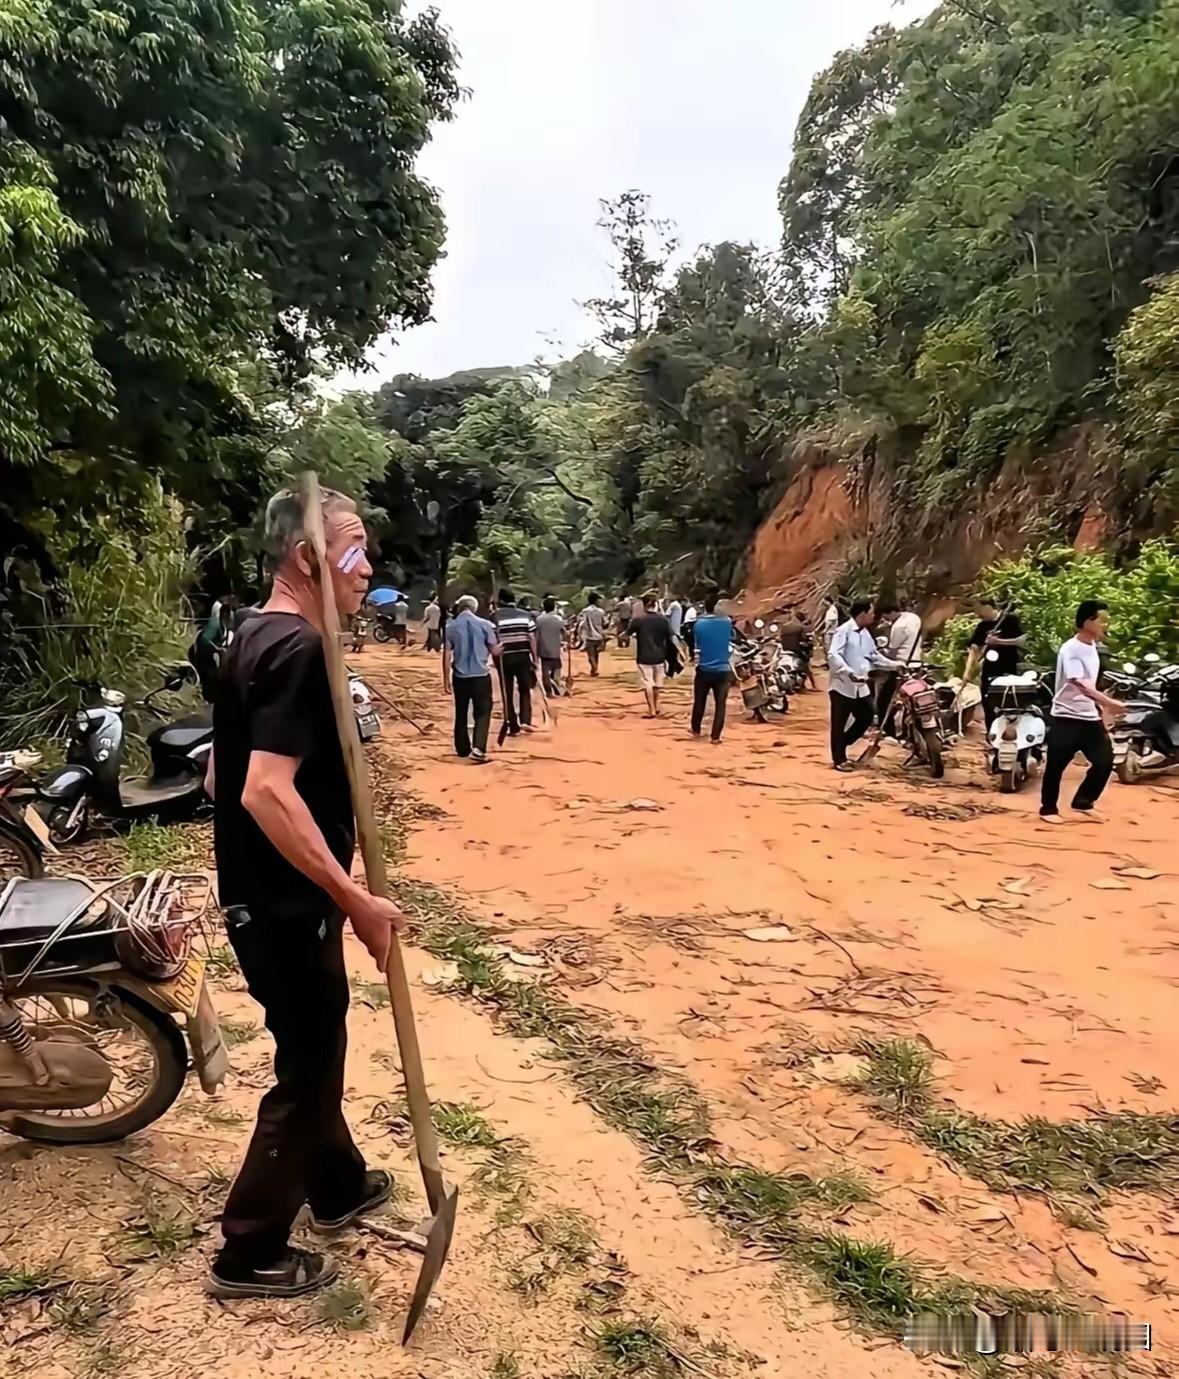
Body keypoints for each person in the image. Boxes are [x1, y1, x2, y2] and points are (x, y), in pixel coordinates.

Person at [207, 486, 402, 1300]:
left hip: (264, 899)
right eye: (355, 549)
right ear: (310, 558)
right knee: (312, 1065)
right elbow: (261, 791)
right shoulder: (297, 653)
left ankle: (337, 1185)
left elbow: (219, 773)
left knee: (315, 1045)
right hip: (285, 907)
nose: (368, 568)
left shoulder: (249, 636)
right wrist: (354, 897)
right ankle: (248, 1250)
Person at [1040, 600, 1122, 824]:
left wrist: (1102, 706)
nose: (1105, 624)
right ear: (1087, 622)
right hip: (1066, 716)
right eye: (1101, 620)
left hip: (1088, 716)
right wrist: (1108, 702)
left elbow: (1092, 683)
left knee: (1104, 761)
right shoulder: (1071, 649)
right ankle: (1048, 809)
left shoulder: (1092, 646)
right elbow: (1079, 683)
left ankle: (1083, 802)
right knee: (1055, 766)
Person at [828, 599, 903, 771]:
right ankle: (839, 759)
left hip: (861, 686)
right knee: (839, 722)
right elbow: (833, 655)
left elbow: (874, 655)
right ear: (861, 614)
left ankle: (843, 742)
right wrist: (848, 671)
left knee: (867, 716)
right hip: (842, 685)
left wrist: (894, 664)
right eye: (871, 612)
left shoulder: (865, 633)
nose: (873, 616)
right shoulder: (843, 631)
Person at [443, 593, 498, 763]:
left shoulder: (450, 626)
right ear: (474, 608)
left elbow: (446, 654)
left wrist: (445, 679)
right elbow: (494, 650)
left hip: (460, 676)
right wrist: (500, 649)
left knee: (461, 711)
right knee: (482, 712)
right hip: (480, 675)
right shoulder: (485, 625)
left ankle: (462, 748)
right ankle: (479, 748)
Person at [963, 596, 1025, 728]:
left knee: (1008, 700)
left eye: (979, 610)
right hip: (990, 668)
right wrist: (968, 671)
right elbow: (974, 649)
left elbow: (1022, 640)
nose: (977, 614)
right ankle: (991, 733)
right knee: (987, 699)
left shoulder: (1010, 620)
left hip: (1010, 667)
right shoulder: (982, 626)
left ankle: (1009, 731)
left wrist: (999, 642)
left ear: (988, 607)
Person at [492, 588, 536, 735]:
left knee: (507, 692)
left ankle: (513, 724)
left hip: (504, 659)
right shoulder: (526, 615)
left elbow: (492, 640)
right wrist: (534, 658)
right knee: (525, 689)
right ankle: (525, 720)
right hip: (523, 656)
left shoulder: (494, 617)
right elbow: (531, 638)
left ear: (501, 601)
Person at [690, 591, 733, 742]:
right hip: (723, 670)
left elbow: (698, 644)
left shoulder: (699, 624)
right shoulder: (727, 622)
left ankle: (696, 730)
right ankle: (715, 736)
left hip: (704, 669)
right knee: (720, 705)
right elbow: (732, 637)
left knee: (699, 701)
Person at [874, 599, 923, 732]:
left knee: (884, 699)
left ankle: (887, 729)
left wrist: (881, 652)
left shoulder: (898, 626)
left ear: (890, 613)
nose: (886, 619)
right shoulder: (914, 618)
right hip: (916, 662)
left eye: (886, 616)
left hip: (901, 665)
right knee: (914, 697)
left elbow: (892, 649)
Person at [631, 593, 673, 718]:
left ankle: (652, 710)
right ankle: (656, 705)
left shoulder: (638, 620)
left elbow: (626, 634)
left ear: (644, 605)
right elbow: (672, 637)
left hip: (644, 656)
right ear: (656, 604)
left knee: (648, 683)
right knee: (657, 684)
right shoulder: (663, 620)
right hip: (660, 656)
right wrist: (681, 651)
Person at [535, 595, 565, 697]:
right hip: (555, 649)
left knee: (545, 671)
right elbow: (564, 633)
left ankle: (549, 692)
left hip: (543, 649)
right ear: (554, 607)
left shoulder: (539, 619)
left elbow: (536, 635)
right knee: (557, 668)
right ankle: (556, 684)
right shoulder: (559, 619)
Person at [578, 592, 607, 676]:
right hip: (599, 635)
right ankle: (595, 669)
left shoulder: (585, 611)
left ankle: (594, 668)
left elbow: (581, 623)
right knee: (596, 654)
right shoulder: (601, 611)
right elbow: (605, 623)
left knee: (590, 655)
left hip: (589, 635)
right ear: (596, 600)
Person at [820, 596, 841, 665]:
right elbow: (825, 621)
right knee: (826, 647)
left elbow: (832, 621)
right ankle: (829, 662)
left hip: (830, 632)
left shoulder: (832, 609)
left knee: (829, 648)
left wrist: (825, 630)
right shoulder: (829, 610)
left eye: (825, 602)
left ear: (828, 601)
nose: (824, 604)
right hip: (828, 631)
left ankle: (831, 663)